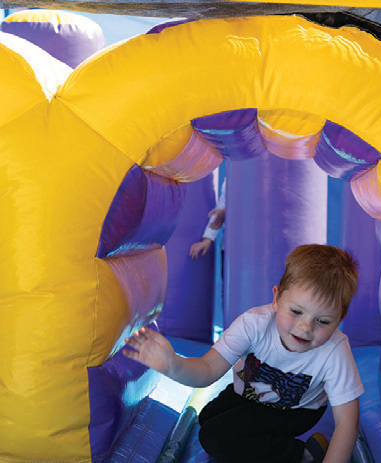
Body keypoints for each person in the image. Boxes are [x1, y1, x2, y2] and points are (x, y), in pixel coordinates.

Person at [123, 244, 363, 463]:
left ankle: (300, 455)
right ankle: (292, 449)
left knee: (214, 437)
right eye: (296, 311)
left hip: (295, 411)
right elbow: (207, 370)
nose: (306, 327)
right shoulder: (254, 324)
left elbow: (346, 422)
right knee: (209, 417)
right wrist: (172, 364)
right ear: (277, 298)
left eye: (322, 321)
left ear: (340, 319)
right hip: (249, 395)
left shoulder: (335, 351)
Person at [189, 178, 226, 259]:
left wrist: (227, 211)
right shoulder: (231, 177)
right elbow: (220, 209)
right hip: (231, 248)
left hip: (256, 248)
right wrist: (207, 239)